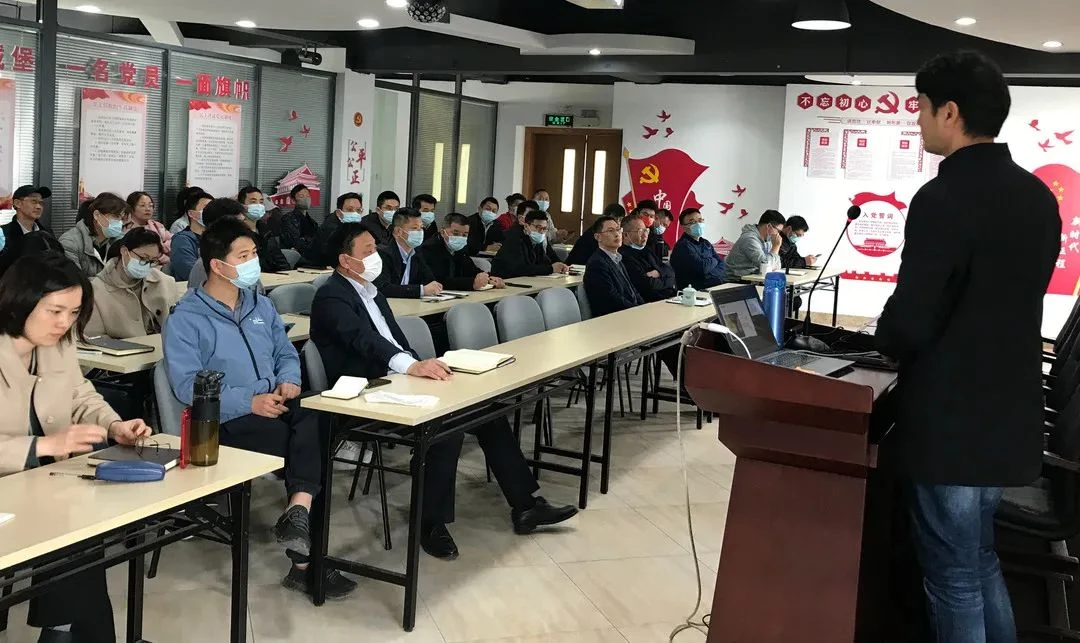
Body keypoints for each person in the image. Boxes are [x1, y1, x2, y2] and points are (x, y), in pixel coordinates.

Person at [875, 51, 1061, 643]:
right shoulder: (1038, 197)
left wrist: (883, 339)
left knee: (952, 577)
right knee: (979, 561)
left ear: (949, 112)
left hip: (951, 425)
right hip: (1009, 417)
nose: (918, 121)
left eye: (921, 108)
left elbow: (913, 318)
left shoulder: (943, 198)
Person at [310, 223, 577, 559]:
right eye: (368, 251)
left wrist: (417, 365)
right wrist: (410, 366)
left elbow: (394, 340)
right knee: (445, 427)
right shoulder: (332, 296)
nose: (377, 256)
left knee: (487, 410)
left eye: (376, 248)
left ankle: (526, 505)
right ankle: (430, 524)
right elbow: (363, 341)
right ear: (345, 261)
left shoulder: (371, 290)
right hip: (363, 392)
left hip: (397, 379)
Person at [164, 217, 356, 599]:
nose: (254, 261)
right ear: (218, 265)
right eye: (244, 256)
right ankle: (306, 563)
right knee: (310, 447)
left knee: (319, 414)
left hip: (276, 402)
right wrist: (248, 401)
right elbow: (188, 387)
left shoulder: (260, 305)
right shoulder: (186, 318)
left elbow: (286, 352)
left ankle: (298, 511)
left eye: (254, 253)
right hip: (226, 419)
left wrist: (290, 378)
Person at [0, 252, 151, 642]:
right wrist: (44, 444)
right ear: (19, 301)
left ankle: (61, 632)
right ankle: (63, 632)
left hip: (44, 483)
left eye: (73, 312)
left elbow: (81, 395)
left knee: (78, 536)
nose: (64, 323)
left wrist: (114, 426)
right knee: (74, 542)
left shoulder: (57, 344)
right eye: (54, 311)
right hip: (8, 490)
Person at [86, 228, 179, 339]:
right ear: (124, 251)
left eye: (152, 261)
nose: (147, 265)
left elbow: (179, 326)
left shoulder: (165, 282)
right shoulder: (96, 290)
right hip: (123, 349)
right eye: (143, 258)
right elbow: (96, 338)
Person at [419, 213, 506, 291]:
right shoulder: (429, 249)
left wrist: (489, 278)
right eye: (455, 233)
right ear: (442, 232)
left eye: (465, 235)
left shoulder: (461, 247)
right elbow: (439, 280)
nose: (460, 238)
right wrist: (472, 283)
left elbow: (471, 269)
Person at [374, 208, 442, 299]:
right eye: (414, 228)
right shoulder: (383, 253)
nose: (420, 232)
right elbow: (383, 288)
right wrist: (421, 290)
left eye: (421, 228)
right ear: (398, 231)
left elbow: (429, 280)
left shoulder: (417, 252)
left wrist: (434, 285)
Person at [59, 193, 130, 278]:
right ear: (97, 215)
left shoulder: (118, 242)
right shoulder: (70, 242)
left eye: (121, 219)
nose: (119, 223)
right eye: (115, 216)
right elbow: (75, 281)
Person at [491, 209, 569, 278]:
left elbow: (543, 263)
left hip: (524, 280)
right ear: (526, 226)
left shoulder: (537, 241)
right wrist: (550, 269)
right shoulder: (515, 239)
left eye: (544, 229)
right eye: (538, 227)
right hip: (503, 280)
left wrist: (559, 266)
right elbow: (521, 268)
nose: (541, 232)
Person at [620, 214, 677, 302]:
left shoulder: (647, 250)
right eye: (640, 231)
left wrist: (658, 273)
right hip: (650, 303)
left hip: (669, 298)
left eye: (646, 230)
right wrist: (666, 278)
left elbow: (671, 272)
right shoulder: (623, 256)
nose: (645, 235)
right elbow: (647, 285)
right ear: (625, 235)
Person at [722, 210, 786, 282]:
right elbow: (766, 266)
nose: (778, 234)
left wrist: (774, 251)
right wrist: (776, 247)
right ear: (769, 226)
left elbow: (777, 266)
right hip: (735, 281)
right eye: (778, 231)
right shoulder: (749, 239)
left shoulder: (768, 240)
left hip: (751, 279)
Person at [303, 192, 363, 268]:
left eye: (358, 210)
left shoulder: (352, 226)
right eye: (349, 210)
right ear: (338, 213)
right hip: (312, 268)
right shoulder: (330, 228)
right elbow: (333, 255)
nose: (355, 213)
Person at [669, 208, 726, 289]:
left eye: (700, 220)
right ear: (684, 227)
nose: (698, 224)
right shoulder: (683, 246)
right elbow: (702, 268)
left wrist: (710, 273)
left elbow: (722, 264)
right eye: (693, 222)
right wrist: (714, 260)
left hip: (714, 286)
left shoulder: (706, 243)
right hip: (693, 292)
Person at [238, 187, 291, 273]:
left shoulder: (265, 230)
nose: (258, 205)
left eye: (261, 202)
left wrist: (288, 274)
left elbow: (280, 259)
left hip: (274, 276)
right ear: (242, 206)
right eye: (253, 202)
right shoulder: (237, 232)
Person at [168, 190, 212, 281]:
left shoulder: (216, 238)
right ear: (191, 214)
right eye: (206, 208)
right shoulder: (182, 240)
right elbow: (190, 273)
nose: (212, 213)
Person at [125, 192, 171, 264]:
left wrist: (161, 247)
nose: (148, 209)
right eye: (142, 205)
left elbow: (174, 240)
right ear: (131, 208)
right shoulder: (126, 228)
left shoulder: (157, 225)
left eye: (151, 205)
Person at [2, 185, 53, 249]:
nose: (39, 207)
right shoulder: (3, 234)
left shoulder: (47, 233)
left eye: (41, 203)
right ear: (17, 203)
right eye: (34, 201)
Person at [279, 184, 318, 254]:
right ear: (293, 200)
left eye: (308, 196)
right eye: (301, 196)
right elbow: (295, 242)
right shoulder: (288, 219)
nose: (306, 199)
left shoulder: (313, 222)